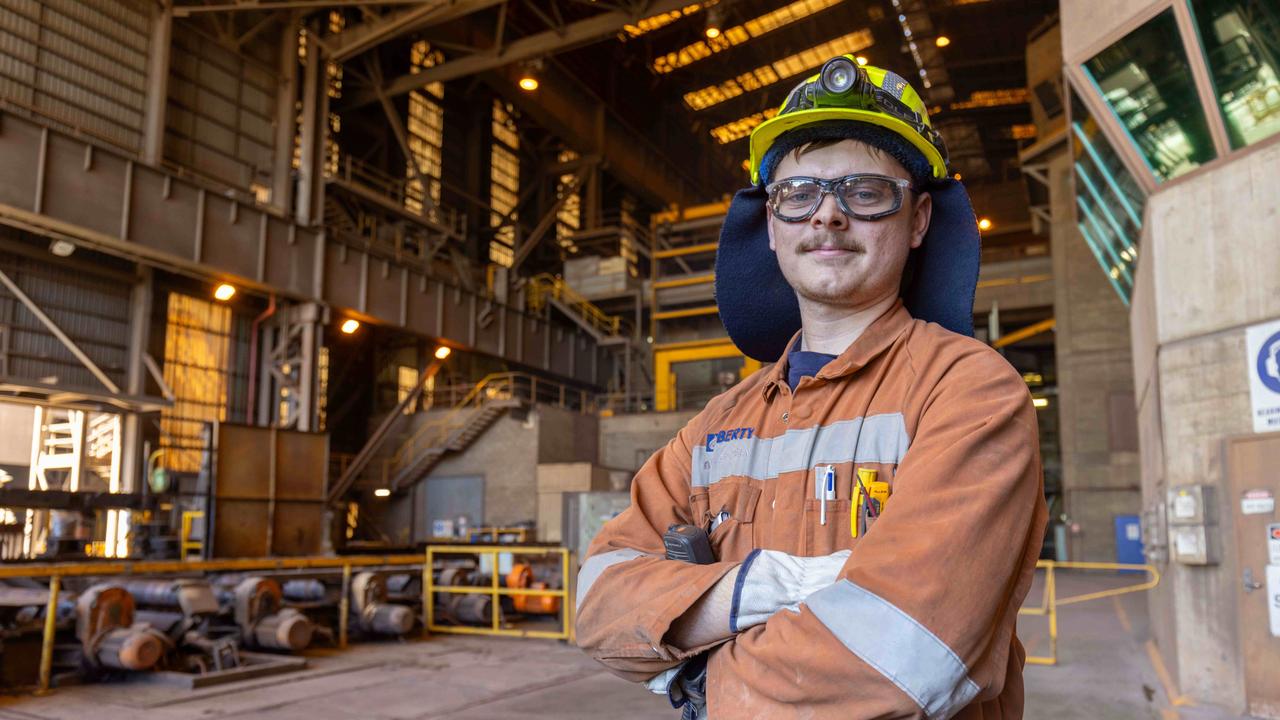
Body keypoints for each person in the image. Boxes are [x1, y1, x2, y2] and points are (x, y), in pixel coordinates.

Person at [575, 54, 1047, 720]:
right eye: (799, 195)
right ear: (771, 227)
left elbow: (906, 654)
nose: (827, 216)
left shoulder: (969, 391)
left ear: (916, 223)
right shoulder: (716, 424)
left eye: (866, 192)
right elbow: (599, 601)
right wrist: (762, 587)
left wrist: (699, 679)